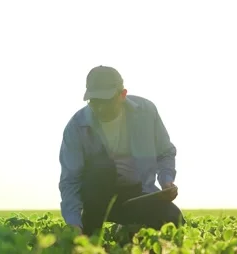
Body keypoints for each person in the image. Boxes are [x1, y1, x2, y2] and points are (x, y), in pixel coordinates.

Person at [58, 65, 185, 236]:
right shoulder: (76, 127)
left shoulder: (146, 112)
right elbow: (70, 180)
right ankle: (91, 227)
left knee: (174, 220)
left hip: (139, 195)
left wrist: (166, 180)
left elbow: (165, 152)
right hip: (97, 198)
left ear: (122, 95)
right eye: (95, 102)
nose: (100, 108)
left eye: (106, 101)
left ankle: (126, 228)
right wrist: (73, 223)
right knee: (102, 168)